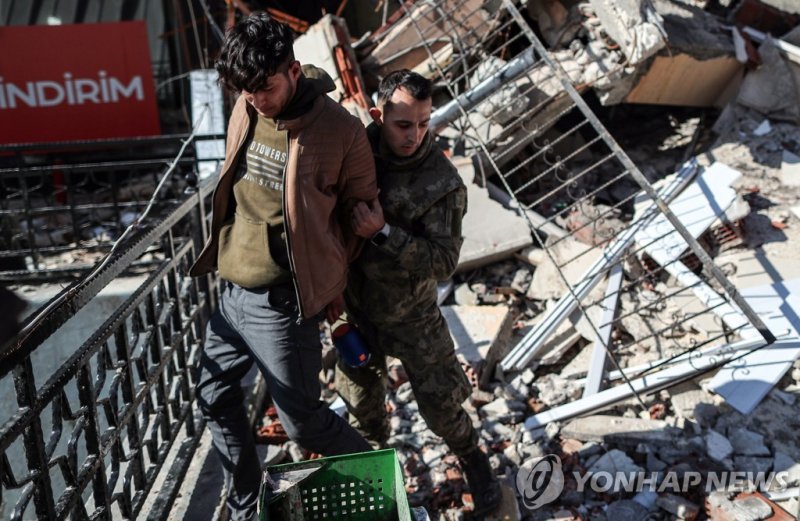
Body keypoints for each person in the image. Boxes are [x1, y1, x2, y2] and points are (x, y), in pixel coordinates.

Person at [189, 13, 376, 521]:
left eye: (265, 87)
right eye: (245, 89)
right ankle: (250, 505)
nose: (256, 99)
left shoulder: (341, 130)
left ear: (293, 70)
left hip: (282, 304)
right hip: (230, 295)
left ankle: (384, 488)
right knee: (212, 395)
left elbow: (360, 210)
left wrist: (331, 268)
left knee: (305, 425)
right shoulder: (246, 107)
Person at [335, 70, 502, 516]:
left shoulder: (442, 182)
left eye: (424, 122)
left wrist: (383, 233)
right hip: (355, 313)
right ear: (378, 115)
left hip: (413, 317)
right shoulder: (354, 151)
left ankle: (474, 461)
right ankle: (375, 486)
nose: (415, 135)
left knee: (443, 407)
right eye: (403, 124)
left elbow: (444, 263)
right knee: (362, 409)